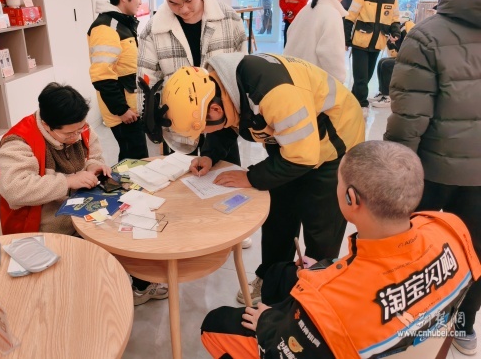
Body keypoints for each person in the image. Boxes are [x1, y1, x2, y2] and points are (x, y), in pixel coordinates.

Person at [200, 140, 481, 359]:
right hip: (413, 335)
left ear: (351, 198)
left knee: (215, 324)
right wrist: (327, 269)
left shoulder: (326, 300)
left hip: (334, 336)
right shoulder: (451, 227)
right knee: (279, 275)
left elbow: (287, 349)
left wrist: (267, 323)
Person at [156, 53, 365, 304]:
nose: (204, 133)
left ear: (215, 110)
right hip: (291, 142)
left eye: (202, 130)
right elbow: (228, 124)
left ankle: (315, 290)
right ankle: (272, 278)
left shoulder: (274, 93)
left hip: (335, 143)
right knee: (278, 215)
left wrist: (252, 177)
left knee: (321, 225)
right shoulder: (221, 87)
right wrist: (210, 155)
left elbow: (302, 157)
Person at [384, 0, 481, 356]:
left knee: (410, 245)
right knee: (475, 250)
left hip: (431, 170)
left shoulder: (426, 35)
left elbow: (410, 120)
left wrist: (391, 172)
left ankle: (408, 320)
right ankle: (464, 323)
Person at [0, 83, 167, 305]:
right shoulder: (19, 141)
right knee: (114, 235)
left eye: (81, 129)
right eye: (69, 133)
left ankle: (139, 285)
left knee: (134, 218)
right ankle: (100, 297)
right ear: (47, 125)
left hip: (80, 206)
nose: (77, 136)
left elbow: (93, 155)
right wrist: (68, 181)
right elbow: (14, 189)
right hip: (46, 221)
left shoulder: (78, 126)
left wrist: (93, 166)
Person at [137, 0, 247, 214]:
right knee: (184, 196)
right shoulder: (154, 29)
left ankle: (230, 229)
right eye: (173, 3)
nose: (183, 9)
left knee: (226, 189)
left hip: (221, 122)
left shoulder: (228, 19)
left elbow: (242, 72)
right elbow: (146, 80)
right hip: (179, 125)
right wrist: (150, 113)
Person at [88, 0, 148, 162]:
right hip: (123, 112)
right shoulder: (106, 27)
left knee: (135, 157)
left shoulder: (122, 24)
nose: (140, 1)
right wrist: (121, 110)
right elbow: (102, 76)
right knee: (134, 159)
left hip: (131, 108)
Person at [344, 0, 401, 117]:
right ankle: (362, 104)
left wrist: (396, 33)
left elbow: (395, 19)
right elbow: (350, 17)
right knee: (361, 77)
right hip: (360, 42)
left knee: (367, 76)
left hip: (378, 43)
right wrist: (346, 40)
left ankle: (353, 100)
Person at [284, 0, 348, 82]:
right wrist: (339, 79)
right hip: (312, 79)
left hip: (293, 73)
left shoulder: (306, 9)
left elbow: (290, 32)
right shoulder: (332, 14)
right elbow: (331, 53)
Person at [369, 18, 414, 108]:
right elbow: (394, 54)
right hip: (404, 56)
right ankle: (383, 92)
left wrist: (396, 39)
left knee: (387, 64)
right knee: (382, 61)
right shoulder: (389, 35)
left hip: (413, 58)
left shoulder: (407, 27)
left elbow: (411, 46)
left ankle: (388, 97)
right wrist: (391, 43)